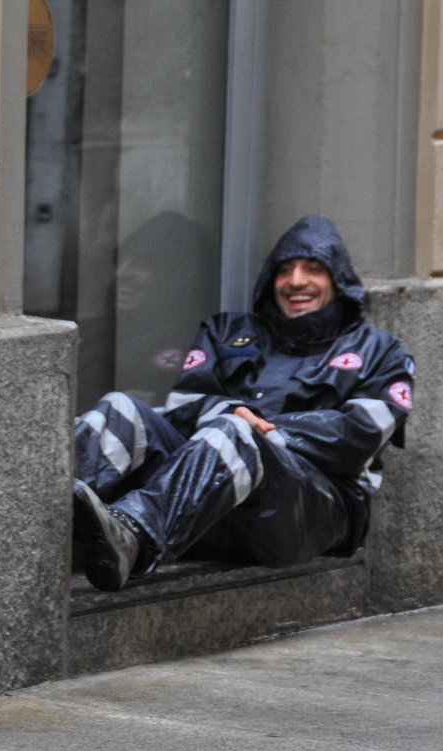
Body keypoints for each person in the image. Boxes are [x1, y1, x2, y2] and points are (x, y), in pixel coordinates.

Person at [72, 215, 414, 589]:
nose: (297, 281)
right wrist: (229, 416)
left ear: (339, 281)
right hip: (203, 504)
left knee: (236, 430)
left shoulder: (382, 351)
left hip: (305, 513)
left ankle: (133, 536)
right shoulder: (226, 331)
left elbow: (359, 434)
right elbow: (184, 403)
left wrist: (261, 431)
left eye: (314, 269)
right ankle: (39, 526)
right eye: (286, 270)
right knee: (122, 408)